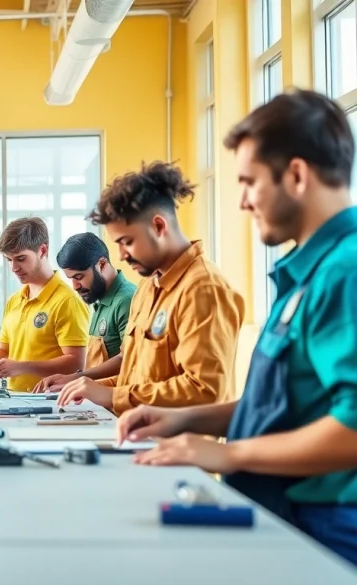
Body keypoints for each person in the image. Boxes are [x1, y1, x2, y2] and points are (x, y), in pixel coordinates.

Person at [117, 89, 357, 566]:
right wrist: (189, 420)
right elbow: (287, 405)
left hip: (325, 524)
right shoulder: (309, 272)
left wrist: (230, 454)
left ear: (295, 175)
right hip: (286, 510)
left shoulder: (345, 270)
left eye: (249, 183)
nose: (244, 202)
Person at [57, 161, 246, 414]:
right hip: (137, 438)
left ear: (158, 226)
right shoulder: (147, 287)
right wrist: (87, 388)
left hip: (179, 448)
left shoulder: (203, 289)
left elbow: (205, 391)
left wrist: (110, 394)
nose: (121, 255)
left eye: (127, 242)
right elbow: (134, 379)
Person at [0, 218, 89, 392]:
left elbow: (76, 363)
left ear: (43, 250)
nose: (14, 267)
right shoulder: (14, 301)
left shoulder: (67, 301)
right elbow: (4, 348)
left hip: (53, 402)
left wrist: (22, 367)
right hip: (15, 398)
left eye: (21, 259)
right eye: (9, 260)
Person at [33, 232, 137, 392]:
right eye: (71, 279)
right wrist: (70, 379)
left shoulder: (127, 300)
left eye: (79, 277)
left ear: (102, 264)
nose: (75, 286)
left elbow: (129, 360)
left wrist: (75, 379)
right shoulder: (99, 301)